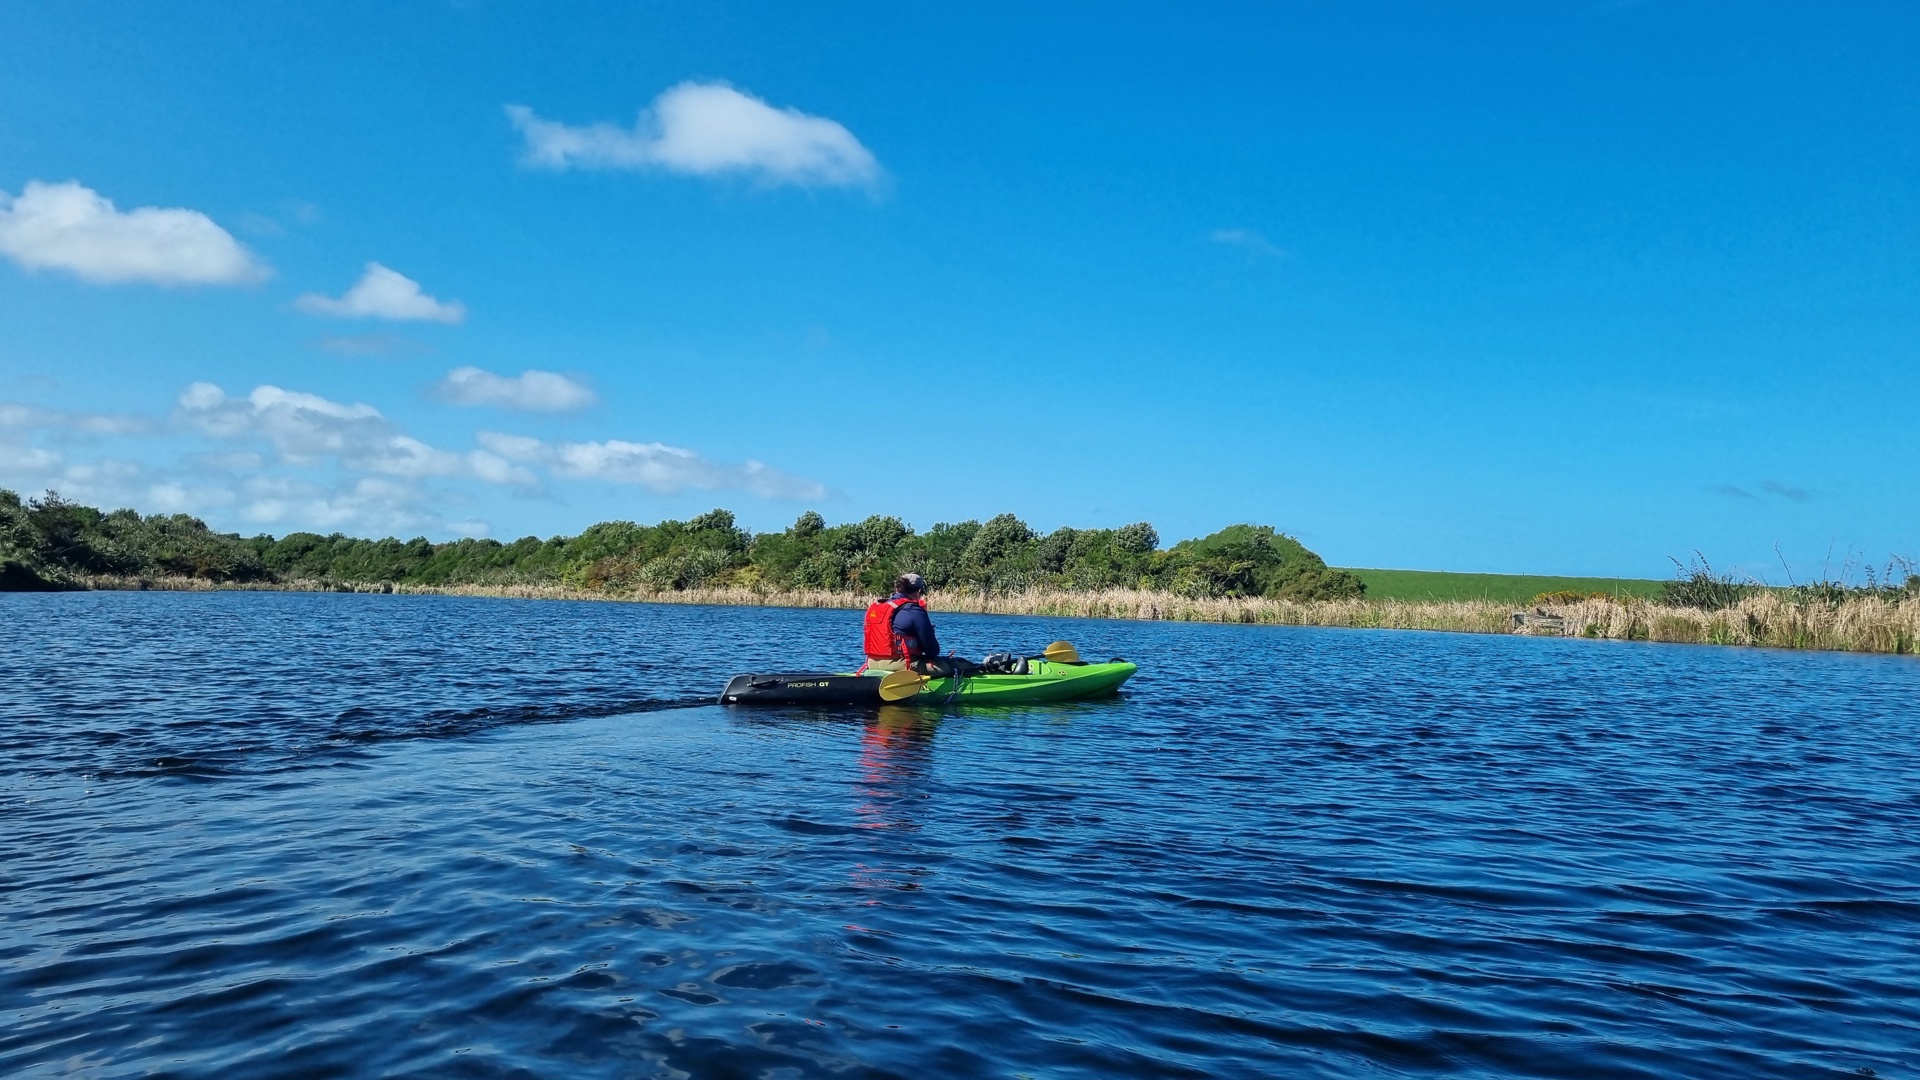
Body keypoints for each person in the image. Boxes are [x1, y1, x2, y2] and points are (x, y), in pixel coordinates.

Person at [861, 573, 947, 674]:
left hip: (871, 663)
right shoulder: (914, 610)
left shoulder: (878, 607)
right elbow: (932, 651)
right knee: (957, 665)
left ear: (897, 589)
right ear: (918, 592)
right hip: (899, 665)